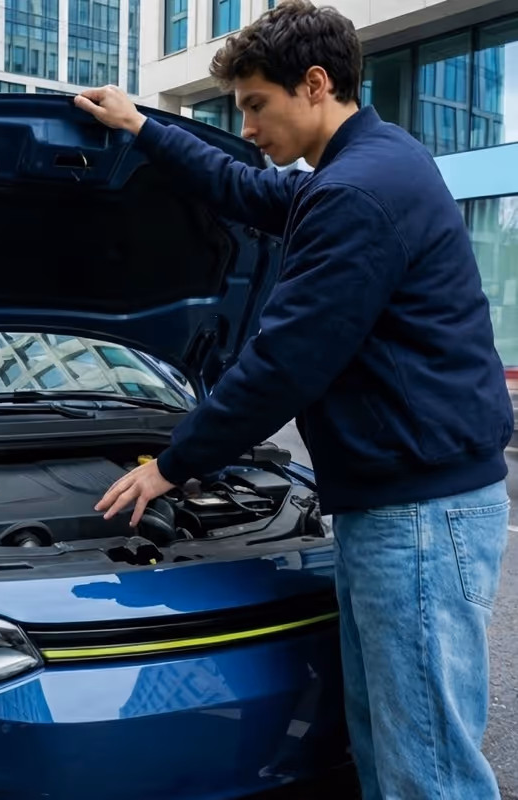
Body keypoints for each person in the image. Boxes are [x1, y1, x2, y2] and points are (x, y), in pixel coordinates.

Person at [75, 2, 512, 798]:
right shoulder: (366, 166)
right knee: (388, 744)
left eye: (253, 105)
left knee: (428, 769)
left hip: (418, 513)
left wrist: (173, 466)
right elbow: (245, 191)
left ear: (314, 84)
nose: (244, 127)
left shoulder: (356, 193)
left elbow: (283, 361)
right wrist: (142, 126)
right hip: (407, 500)